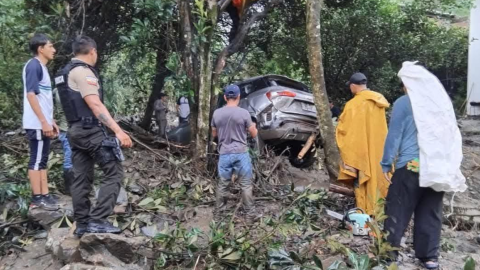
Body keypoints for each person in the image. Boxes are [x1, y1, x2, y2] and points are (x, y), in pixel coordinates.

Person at [382, 62, 466, 269]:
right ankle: (429, 258)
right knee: (430, 212)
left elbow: (394, 135)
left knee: (397, 210)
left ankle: (388, 255)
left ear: (407, 84)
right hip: (437, 167)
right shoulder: (440, 105)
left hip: (410, 167)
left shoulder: (404, 102)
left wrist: (386, 163)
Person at [55, 35, 132, 236]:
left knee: (81, 178)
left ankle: (82, 224)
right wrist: (118, 130)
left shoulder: (64, 73)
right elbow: (94, 104)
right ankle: (97, 220)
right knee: (114, 173)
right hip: (90, 131)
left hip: (74, 131)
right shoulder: (82, 72)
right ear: (93, 52)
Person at [336, 72, 390, 215]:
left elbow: (344, 130)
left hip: (359, 151)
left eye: (350, 86)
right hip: (379, 149)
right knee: (377, 180)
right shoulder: (379, 102)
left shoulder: (352, 105)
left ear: (353, 86)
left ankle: (363, 214)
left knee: (361, 180)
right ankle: (377, 214)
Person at [22, 33, 59, 210]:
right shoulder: (33, 66)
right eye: (50, 46)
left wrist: (51, 121)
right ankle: (37, 198)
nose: (54, 50)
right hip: (36, 123)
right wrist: (43, 122)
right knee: (36, 160)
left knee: (42, 160)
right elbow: (31, 95)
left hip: (43, 122)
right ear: (40, 48)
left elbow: (43, 99)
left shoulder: (43, 68)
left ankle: (45, 194)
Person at [211, 84, 258, 222]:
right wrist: (253, 127)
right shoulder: (244, 113)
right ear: (239, 97)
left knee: (223, 184)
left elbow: (214, 134)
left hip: (224, 154)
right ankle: (250, 215)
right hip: (241, 153)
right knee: (245, 184)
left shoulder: (216, 113)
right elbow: (254, 134)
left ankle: (219, 215)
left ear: (225, 97)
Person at [53, 88, 73, 195]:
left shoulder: (57, 90)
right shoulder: (63, 90)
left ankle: (73, 187)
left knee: (71, 157)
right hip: (67, 129)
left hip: (67, 129)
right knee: (70, 157)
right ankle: (70, 189)